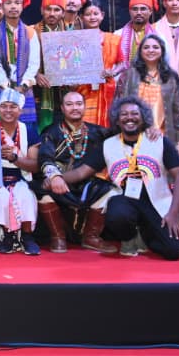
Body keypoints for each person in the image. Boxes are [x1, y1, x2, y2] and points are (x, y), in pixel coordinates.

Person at [102, 96, 179, 260]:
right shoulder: (108, 144)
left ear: (143, 118)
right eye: (124, 114)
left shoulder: (158, 141)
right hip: (124, 199)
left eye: (135, 113)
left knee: (173, 251)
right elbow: (83, 171)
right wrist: (55, 177)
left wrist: (174, 212)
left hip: (155, 201)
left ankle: (143, 234)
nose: (129, 117)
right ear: (117, 120)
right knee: (118, 214)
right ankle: (129, 236)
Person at [34, 90, 117, 253]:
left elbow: (123, 137)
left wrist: (149, 129)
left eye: (79, 104)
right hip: (59, 183)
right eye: (69, 104)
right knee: (41, 191)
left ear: (85, 107)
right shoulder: (51, 132)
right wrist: (55, 177)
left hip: (87, 184)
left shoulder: (98, 132)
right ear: (62, 108)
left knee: (112, 191)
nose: (75, 108)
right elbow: (45, 158)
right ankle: (58, 237)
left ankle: (91, 237)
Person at [0, 89, 40, 255]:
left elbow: (34, 166)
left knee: (26, 196)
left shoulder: (28, 131)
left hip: (21, 178)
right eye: (4, 106)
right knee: (2, 197)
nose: (8, 110)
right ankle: (8, 236)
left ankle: (27, 236)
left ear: (20, 110)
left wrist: (14, 158)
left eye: (13, 106)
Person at [116, 34, 179, 151]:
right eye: (146, 47)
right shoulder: (128, 75)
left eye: (155, 47)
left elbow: (178, 111)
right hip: (133, 135)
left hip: (165, 135)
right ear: (140, 51)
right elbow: (118, 108)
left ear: (162, 51)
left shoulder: (171, 77)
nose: (151, 50)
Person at [0, 0, 41, 130]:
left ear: (22, 6)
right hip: (0, 87)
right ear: (2, 6)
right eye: (8, 3)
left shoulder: (30, 32)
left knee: (26, 132)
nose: (13, 6)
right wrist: (5, 85)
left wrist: (24, 85)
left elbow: (34, 64)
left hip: (25, 88)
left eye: (17, 2)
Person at [75, 0, 122, 127]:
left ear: (102, 15)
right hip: (82, 90)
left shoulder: (113, 39)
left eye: (96, 14)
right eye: (88, 14)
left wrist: (113, 71)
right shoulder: (74, 41)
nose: (92, 17)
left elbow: (123, 63)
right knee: (85, 127)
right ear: (81, 17)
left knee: (107, 128)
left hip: (107, 90)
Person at [32, 0, 67, 131]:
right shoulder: (31, 32)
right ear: (42, 10)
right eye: (48, 9)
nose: (52, 13)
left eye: (57, 10)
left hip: (62, 93)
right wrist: (35, 74)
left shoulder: (71, 36)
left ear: (63, 13)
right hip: (38, 93)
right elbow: (20, 60)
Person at [114, 0, 161, 76]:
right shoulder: (117, 35)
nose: (139, 12)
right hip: (124, 80)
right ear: (130, 11)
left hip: (150, 80)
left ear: (150, 11)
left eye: (143, 9)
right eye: (135, 9)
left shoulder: (158, 36)